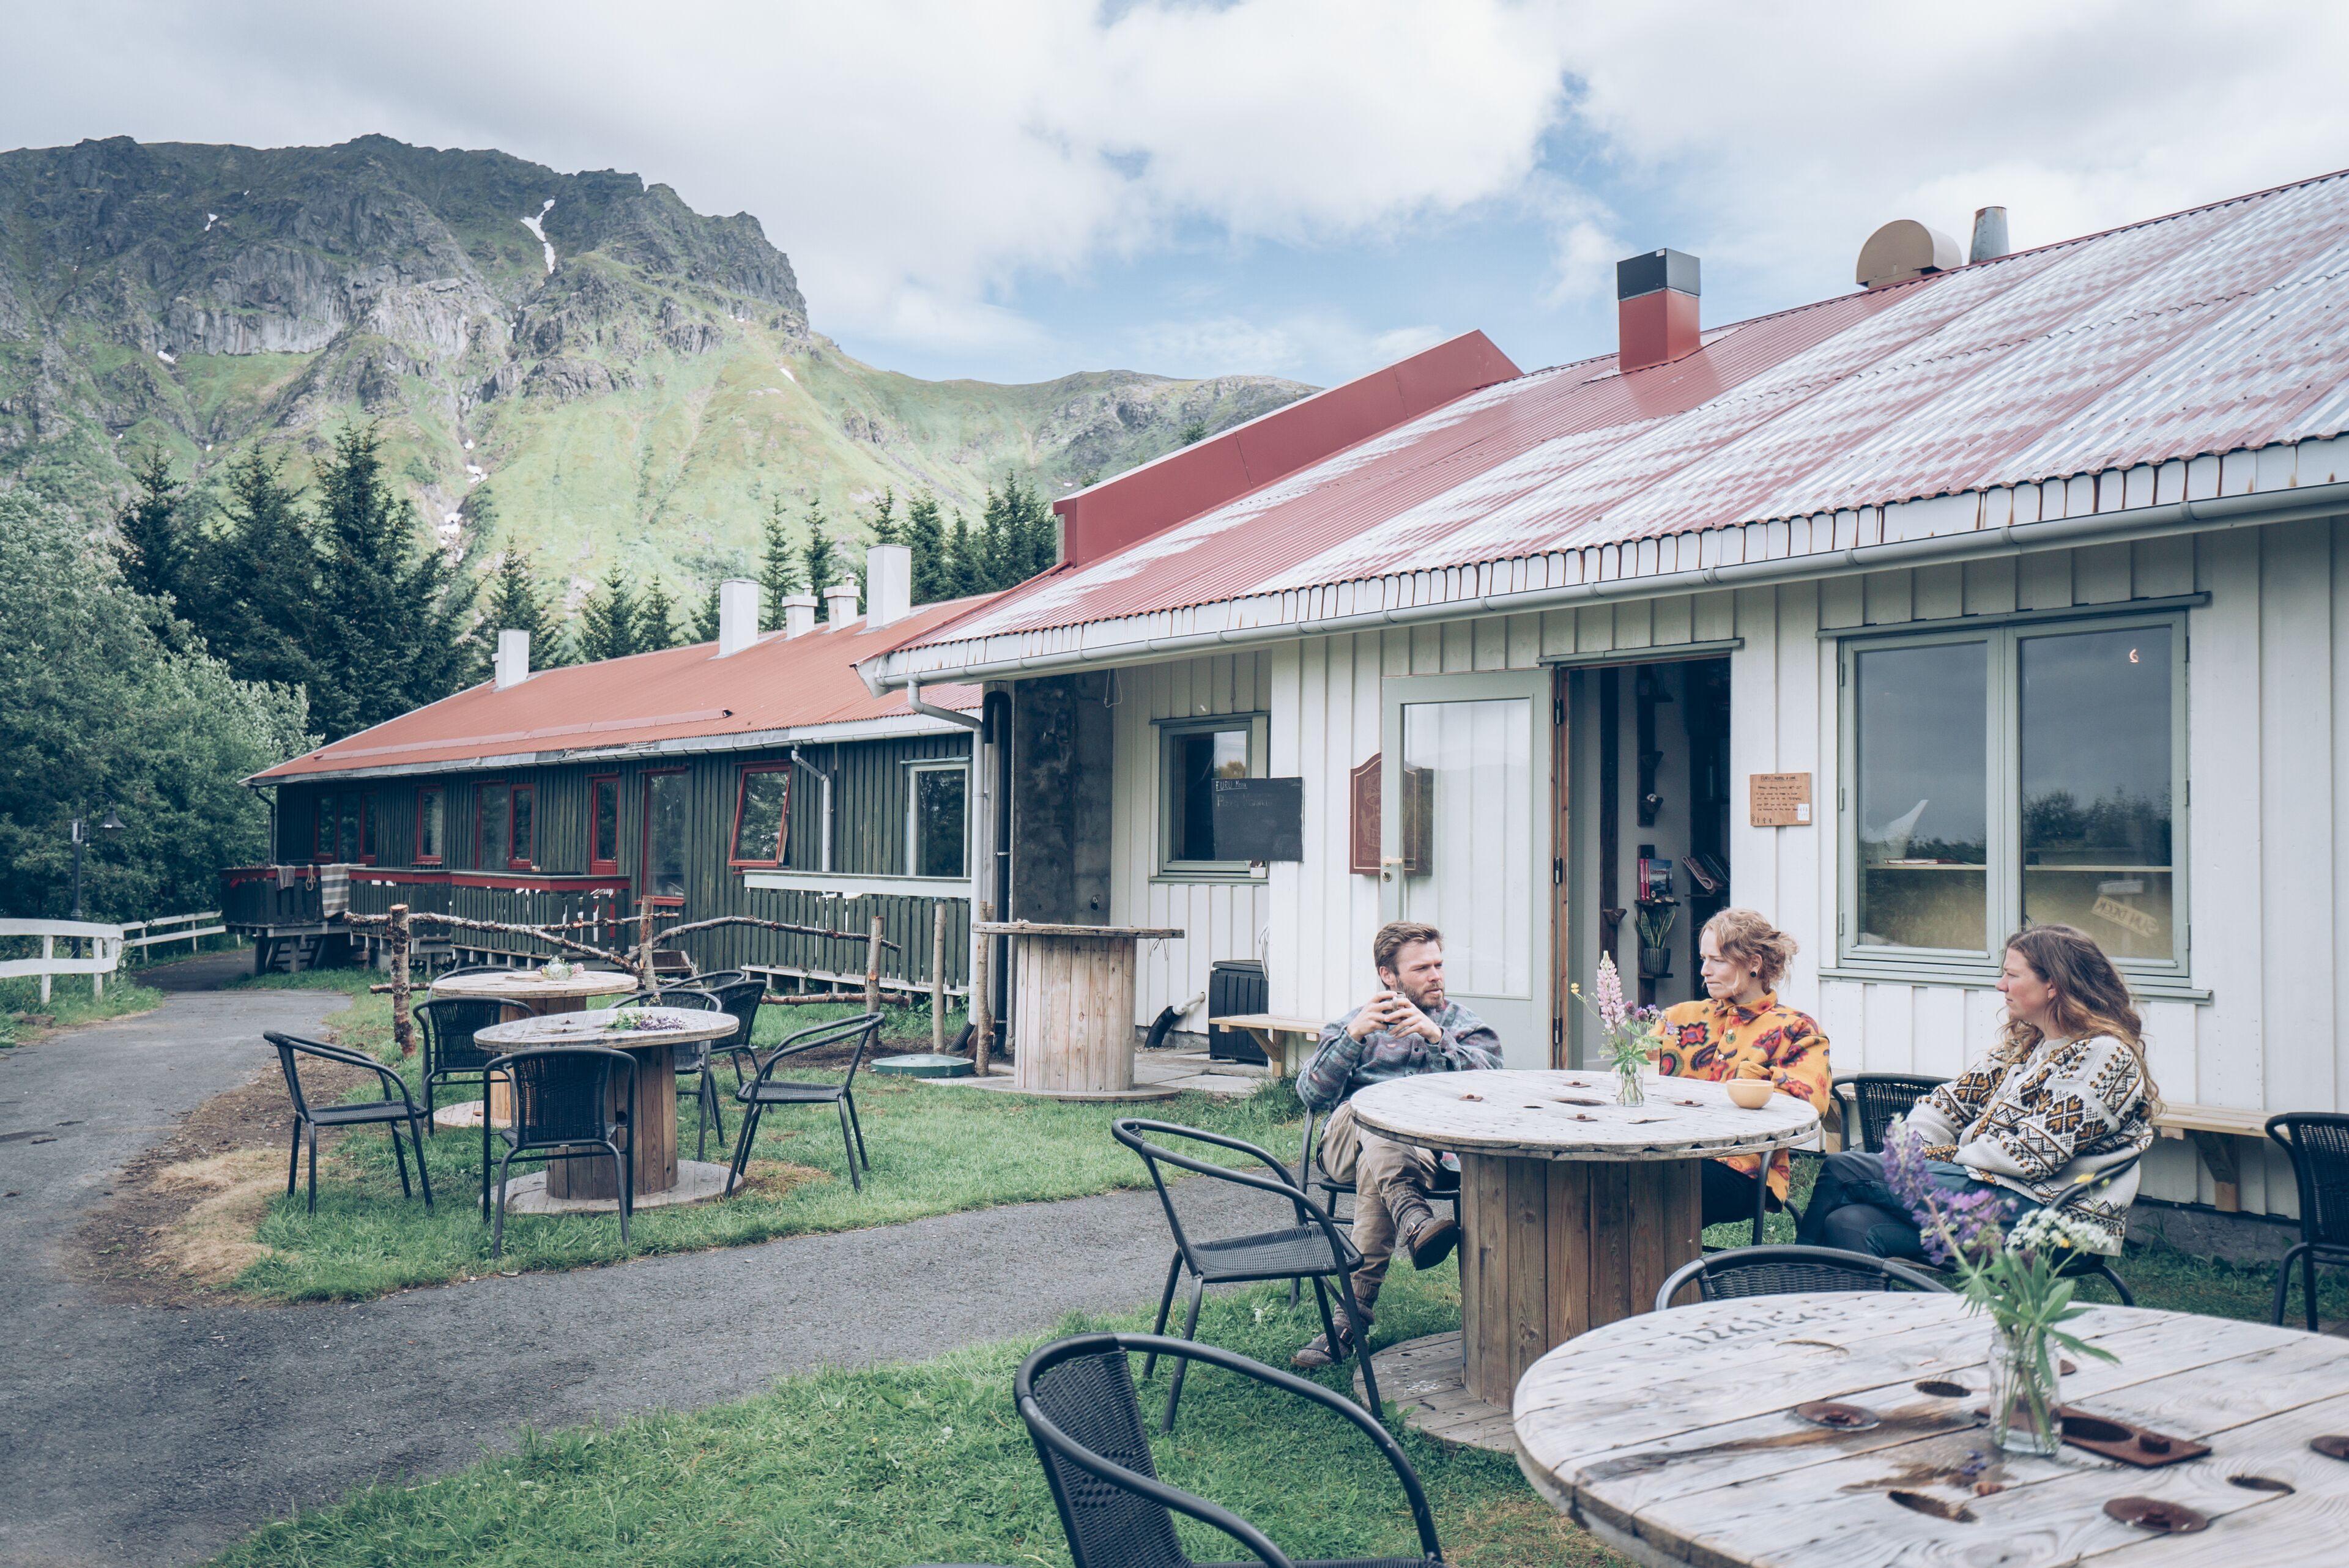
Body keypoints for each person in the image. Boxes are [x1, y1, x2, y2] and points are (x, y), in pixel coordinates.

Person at [1797, 923, 2156, 1259]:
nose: (2001, 986)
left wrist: (1940, 1156)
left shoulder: (2103, 1055)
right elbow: (1942, 1105)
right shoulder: (2026, 1045)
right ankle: (1850, 1320)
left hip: (2054, 1219)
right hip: (1995, 1195)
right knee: (1847, 1223)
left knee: (1845, 1169)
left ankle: (1791, 1281)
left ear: (2053, 986)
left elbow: (2031, 1156)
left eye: (2012, 976)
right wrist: (1921, 1148)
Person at [1290, 919, 1502, 1369]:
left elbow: (1496, 1087)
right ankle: (1412, 1217)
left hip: (1425, 1155)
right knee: (1374, 1112)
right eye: (1422, 968)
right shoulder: (1352, 1024)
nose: (1436, 975)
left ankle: (1350, 1319)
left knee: (1381, 1155)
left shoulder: (1464, 1026)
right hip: (1346, 1144)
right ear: (1389, 975)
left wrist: (1436, 1037)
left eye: (1439, 965)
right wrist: (1352, 1041)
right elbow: (1311, 1094)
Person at [1652, 909, 1832, 1228]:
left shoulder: (1795, 1028)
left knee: (1655, 1191)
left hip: (1744, 1169)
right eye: (1703, 959)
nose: (1704, 971)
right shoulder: (1678, 1018)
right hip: (1663, 1153)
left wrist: (1753, 1079)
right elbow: (1631, 1076)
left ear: (1754, 964)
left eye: (1717, 961)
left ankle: (1669, 1274)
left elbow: (1810, 1102)